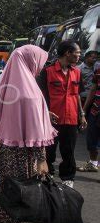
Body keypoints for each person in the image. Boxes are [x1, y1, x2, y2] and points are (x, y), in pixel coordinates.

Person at [0, 45, 56, 223]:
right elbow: (35, 131)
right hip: (23, 150)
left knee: (2, 179)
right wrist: (41, 158)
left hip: (4, 144)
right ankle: (15, 220)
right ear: (30, 61)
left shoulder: (4, 84)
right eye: (39, 61)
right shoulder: (30, 93)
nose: (40, 65)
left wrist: (44, 113)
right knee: (19, 185)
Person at [37, 40, 87, 189]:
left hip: (71, 119)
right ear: (67, 53)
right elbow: (39, 95)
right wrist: (44, 112)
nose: (79, 56)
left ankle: (68, 178)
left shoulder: (77, 72)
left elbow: (77, 94)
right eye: (77, 53)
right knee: (49, 150)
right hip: (52, 119)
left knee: (69, 151)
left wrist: (81, 114)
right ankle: (48, 174)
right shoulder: (47, 71)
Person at [78, 61, 100, 172]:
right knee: (91, 139)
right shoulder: (98, 70)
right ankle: (93, 163)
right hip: (96, 110)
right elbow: (93, 89)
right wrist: (84, 109)